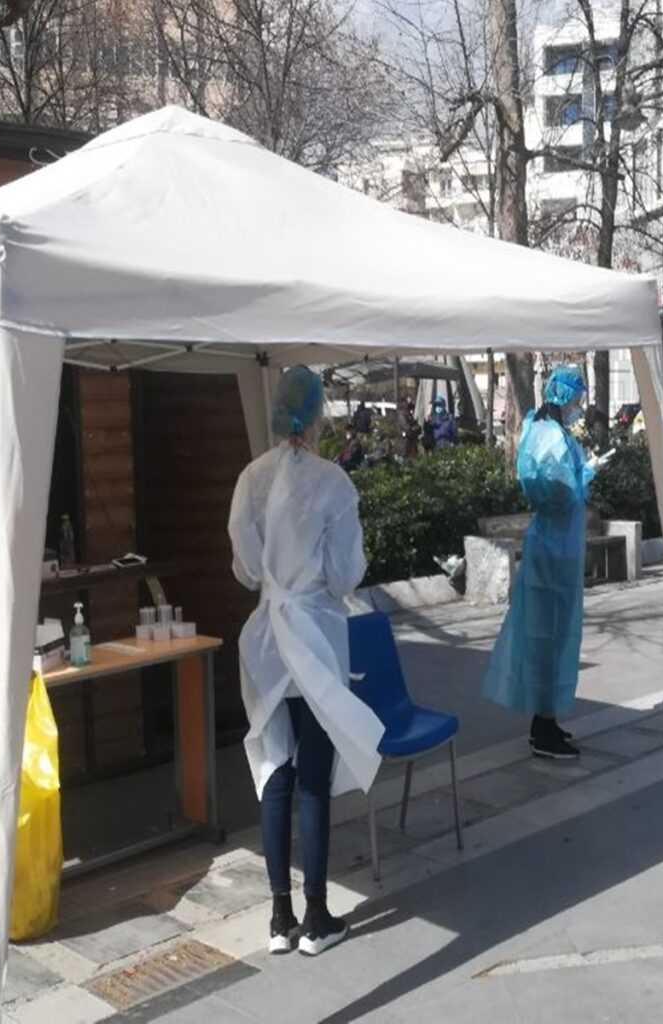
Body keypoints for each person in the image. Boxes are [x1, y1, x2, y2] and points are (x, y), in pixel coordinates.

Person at [229, 366, 385, 957]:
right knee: (314, 776)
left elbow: (246, 570)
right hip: (315, 637)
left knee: (276, 771)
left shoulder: (251, 479)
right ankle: (317, 915)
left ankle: (279, 917)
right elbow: (345, 574)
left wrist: (277, 578)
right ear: (318, 416)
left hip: (269, 639)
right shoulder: (333, 482)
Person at [482, 367, 610, 758]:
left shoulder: (539, 429)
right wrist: (589, 472)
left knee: (549, 637)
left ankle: (547, 720)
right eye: (577, 400)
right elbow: (561, 495)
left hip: (552, 546)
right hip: (556, 550)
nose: (579, 407)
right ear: (564, 397)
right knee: (552, 639)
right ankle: (543, 729)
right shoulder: (552, 438)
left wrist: (582, 470)